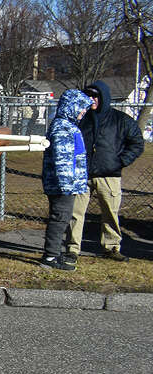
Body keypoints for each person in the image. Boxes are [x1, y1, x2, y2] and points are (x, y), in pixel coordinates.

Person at [66, 80, 144, 263]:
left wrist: (120, 161)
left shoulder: (121, 120)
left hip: (109, 176)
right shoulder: (79, 118)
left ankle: (111, 247)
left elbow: (137, 143)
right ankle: (72, 249)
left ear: (104, 98)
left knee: (110, 213)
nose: (92, 100)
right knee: (75, 213)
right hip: (81, 175)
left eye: (96, 96)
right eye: (88, 96)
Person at [40, 88, 92, 270]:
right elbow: (63, 159)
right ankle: (50, 257)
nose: (83, 112)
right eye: (81, 107)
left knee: (63, 217)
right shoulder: (62, 128)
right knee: (60, 217)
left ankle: (53, 253)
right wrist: (66, 185)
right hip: (63, 186)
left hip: (69, 184)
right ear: (71, 106)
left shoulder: (68, 127)